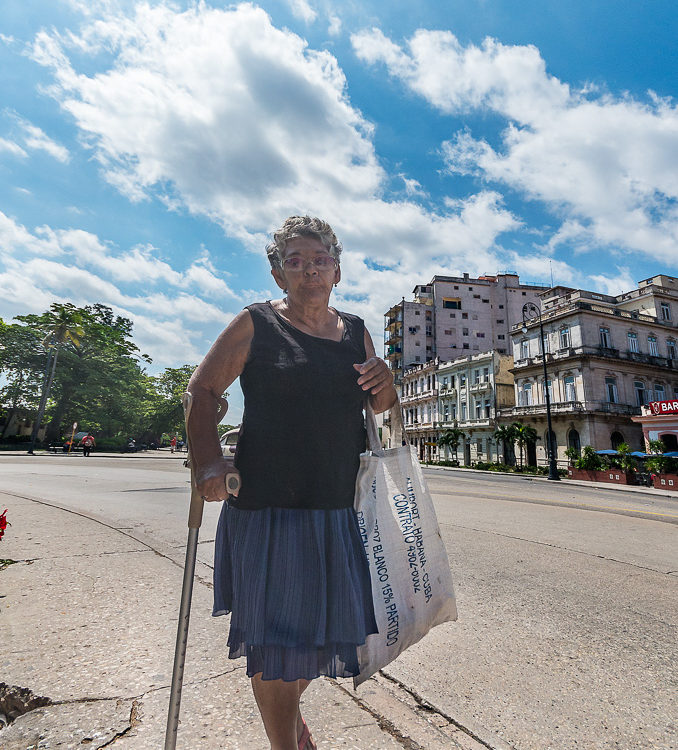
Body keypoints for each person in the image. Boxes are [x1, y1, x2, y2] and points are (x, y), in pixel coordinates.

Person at [187, 216, 397, 750]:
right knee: (277, 642)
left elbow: (381, 412)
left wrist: (388, 384)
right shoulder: (256, 324)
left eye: (319, 260)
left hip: (335, 507)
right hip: (267, 507)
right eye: (294, 261)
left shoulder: (355, 332)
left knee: (328, 632)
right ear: (279, 275)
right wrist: (209, 462)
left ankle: (288, 717)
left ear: (337, 270)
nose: (308, 270)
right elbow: (203, 391)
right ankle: (286, 742)